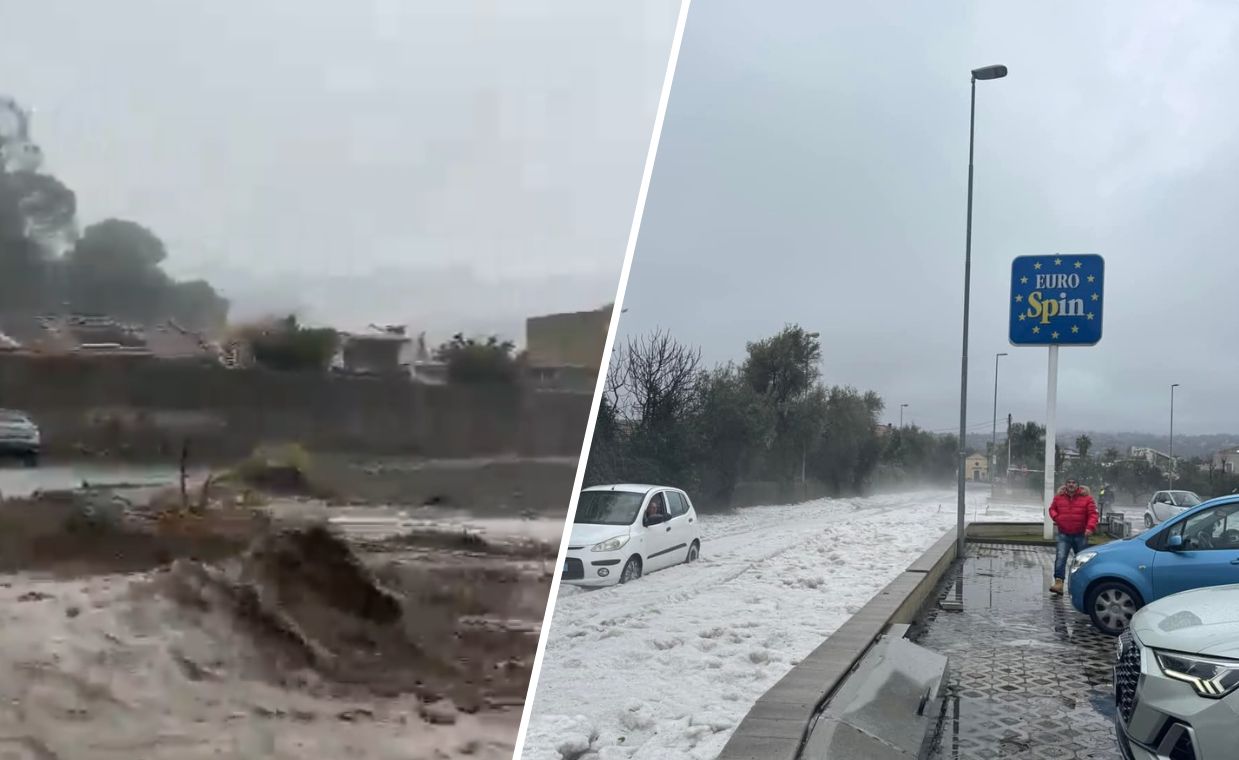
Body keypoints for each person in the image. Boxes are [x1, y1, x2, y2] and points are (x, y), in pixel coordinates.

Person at [1048, 477, 1098, 595]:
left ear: (1078, 485)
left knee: (1082, 561)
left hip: (1081, 534)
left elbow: (1093, 514)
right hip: (1063, 534)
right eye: (1069, 482)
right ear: (1065, 485)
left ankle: (1083, 584)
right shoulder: (1058, 497)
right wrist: (1057, 518)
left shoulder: (1087, 499)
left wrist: (1090, 527)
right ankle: (1059, 583)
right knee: (1060, 558)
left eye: (1074, 482)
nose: (1071, 485)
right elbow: (1051, 509)